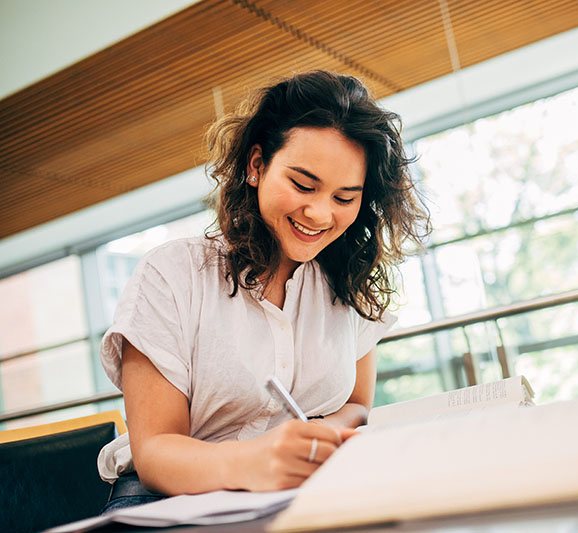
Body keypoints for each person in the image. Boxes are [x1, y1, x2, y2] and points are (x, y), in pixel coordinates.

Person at [97, 70, 430, 512]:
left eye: (344, 198)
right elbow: (155, 453)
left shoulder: (346, 284)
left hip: (294, 497)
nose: (320, 214)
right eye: (303, 185)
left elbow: (357, 406)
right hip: (166, 503)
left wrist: (319, 436)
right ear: (256, 166)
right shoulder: (172, 274)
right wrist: (257, 460)